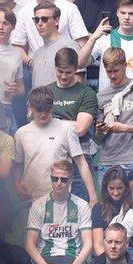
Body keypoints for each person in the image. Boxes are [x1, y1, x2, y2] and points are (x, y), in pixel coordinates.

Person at [13, 86, 96, 202]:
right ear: (31, 107)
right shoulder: (21, 133)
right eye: (39, 110)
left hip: (59, 198)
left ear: (52, 107)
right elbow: (18, 164)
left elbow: (81, 163)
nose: (43, 114)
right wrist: (16, 183)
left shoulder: (66, 129)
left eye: (46, 110)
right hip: (30, 197)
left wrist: (93, 197)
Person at [24, 158, 93, 264]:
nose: (59, 183)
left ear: (71, 180)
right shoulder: (38, 205)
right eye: (55, 179)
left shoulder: (81, 205)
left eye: (64, 179)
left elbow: (89, 242)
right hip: (46, 260)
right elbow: (29, 243)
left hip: (72, 259)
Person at [94, 46, 133, 182]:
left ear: (125, 65)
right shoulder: (101, 96)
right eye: (109, 71)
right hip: (107, 161)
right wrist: (100, 130)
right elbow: (98, 140)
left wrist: (125, 128)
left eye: (116, 70)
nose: (112, 75)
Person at [78, 0, 133, 97]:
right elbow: (80, 63)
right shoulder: (104, 39)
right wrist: (93, 38)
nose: (126, 17)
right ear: (117, 13)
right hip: (108, 105)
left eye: (131, 13)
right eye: (123, 13)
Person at [49, 47, 97, 198]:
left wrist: (52, 122)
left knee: (80, 202)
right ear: (55, 68)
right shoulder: (46, 92)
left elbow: (81, 128)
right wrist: (70, 123)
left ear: (76, 69)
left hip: (79, 152)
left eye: (68, 72)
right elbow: (37, 123)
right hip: (52, 151)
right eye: (60, 71)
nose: (63, 76)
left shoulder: (86, 93)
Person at [26, 2, 82, 89]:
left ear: (56, 21)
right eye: (36, 20)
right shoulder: (37, 53)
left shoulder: (68, 45)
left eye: (44, 19)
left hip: (61, 101)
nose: (39, 23)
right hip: (38, 101)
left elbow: (79, 79)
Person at [91, 165, 133, 255]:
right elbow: (98, 244)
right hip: (106, 255)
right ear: (106, 187)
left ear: (126, 187)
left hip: (130, 253)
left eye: (119, 188)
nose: (116, 192)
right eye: (111, 188)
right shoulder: (98, 208)